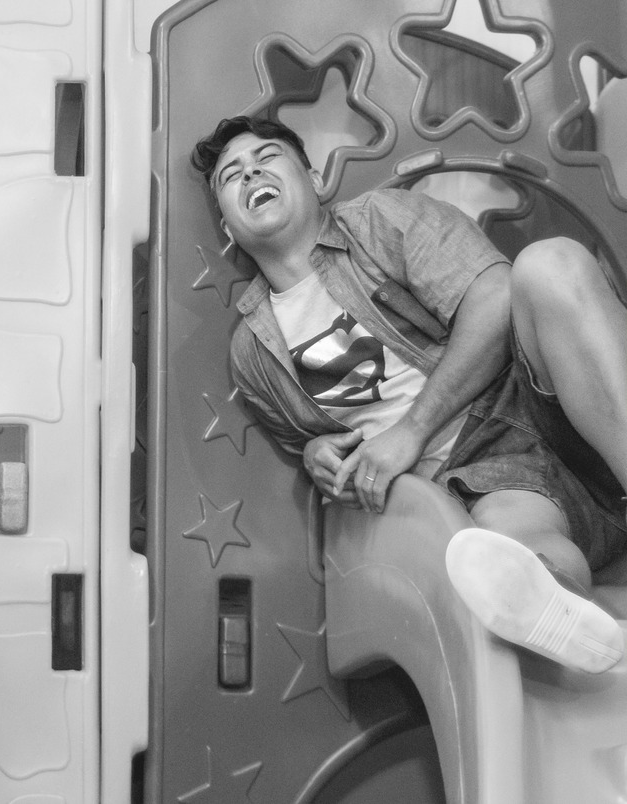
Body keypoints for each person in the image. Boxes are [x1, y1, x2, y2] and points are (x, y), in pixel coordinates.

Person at [190, 115, 627, 675]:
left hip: (534, 396)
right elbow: (309, 443)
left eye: (267, 157)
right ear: (227, 224)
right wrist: (314, 454)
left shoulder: (380, 221)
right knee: (514, 553)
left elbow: (495, 298)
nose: (251, 173)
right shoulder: (253, 352)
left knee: (552, 264)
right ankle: (563, 612)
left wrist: (412, 431)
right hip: (482, 479)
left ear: (315, 180)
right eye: (231, 176)